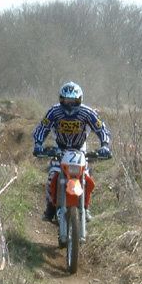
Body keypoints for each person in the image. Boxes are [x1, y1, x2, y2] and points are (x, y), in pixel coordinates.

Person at [32, 81, 111, 222]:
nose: (70, 105)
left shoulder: (87, 113)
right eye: (66, 101)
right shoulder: (54, 112)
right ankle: (50, 208)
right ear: (61, 99)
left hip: (80, 150)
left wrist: (104, 145)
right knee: (52, 176)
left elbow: (101, 128)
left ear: (80, 99)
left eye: (73, 101)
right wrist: (38, 144)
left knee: (87, 177)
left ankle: (85, 207)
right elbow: (43, 127)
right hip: (59, 149)